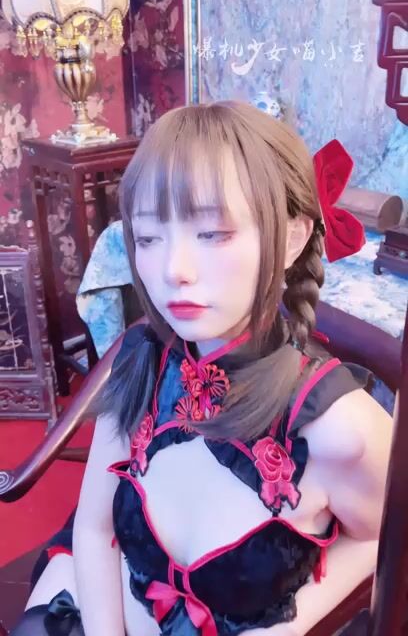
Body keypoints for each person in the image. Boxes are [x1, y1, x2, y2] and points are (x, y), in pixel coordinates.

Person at [11, 102, 392, 636]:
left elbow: (381, 536)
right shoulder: (143, 360)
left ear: (292, 237)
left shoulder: (341, 430)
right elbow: (94, 529)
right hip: (94, 601)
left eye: (212, 233)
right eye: (148, 238)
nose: (174, 270)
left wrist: (285, 625)